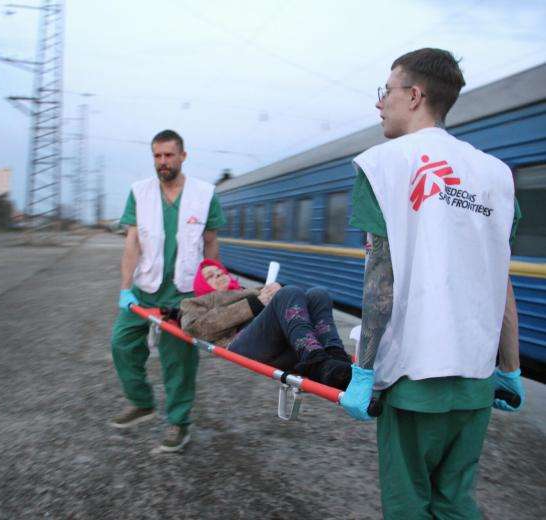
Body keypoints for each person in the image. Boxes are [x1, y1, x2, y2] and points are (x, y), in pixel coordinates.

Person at [340, 48, 526, 519]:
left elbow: (378, 280)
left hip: (413, 379)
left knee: (408, 506)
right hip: (476, 381)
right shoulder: (496, 175)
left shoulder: (383, 166)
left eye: (387, 91)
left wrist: (363, 373)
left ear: (415, 95)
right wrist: (511, 366)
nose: (380, 103)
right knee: (457, 503)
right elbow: (499, 279)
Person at [110, 130, 226, 453]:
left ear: (183, 156)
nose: (163, 162)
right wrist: (125, 288)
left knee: (179, 361)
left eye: (169, 155)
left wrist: (210, 289)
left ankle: (178, 422)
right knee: (121, 344)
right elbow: (132, 242)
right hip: (145, 289)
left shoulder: (204, 194)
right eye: (157, 156)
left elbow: (211, 243)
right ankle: (141, 402)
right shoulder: (140, 193)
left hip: (184, 294)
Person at [180, 259, 352, 389]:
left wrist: (274, 291)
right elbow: (195, 327)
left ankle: (336, 357)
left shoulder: (249, 290)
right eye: (210, 276)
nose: (218, 275)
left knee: (318, 294)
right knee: (289, 292)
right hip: (240, 345)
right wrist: (256, 303)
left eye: (220, 271)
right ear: (201, 284)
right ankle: (317, 364)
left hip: (280, 343)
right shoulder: (195, 302)